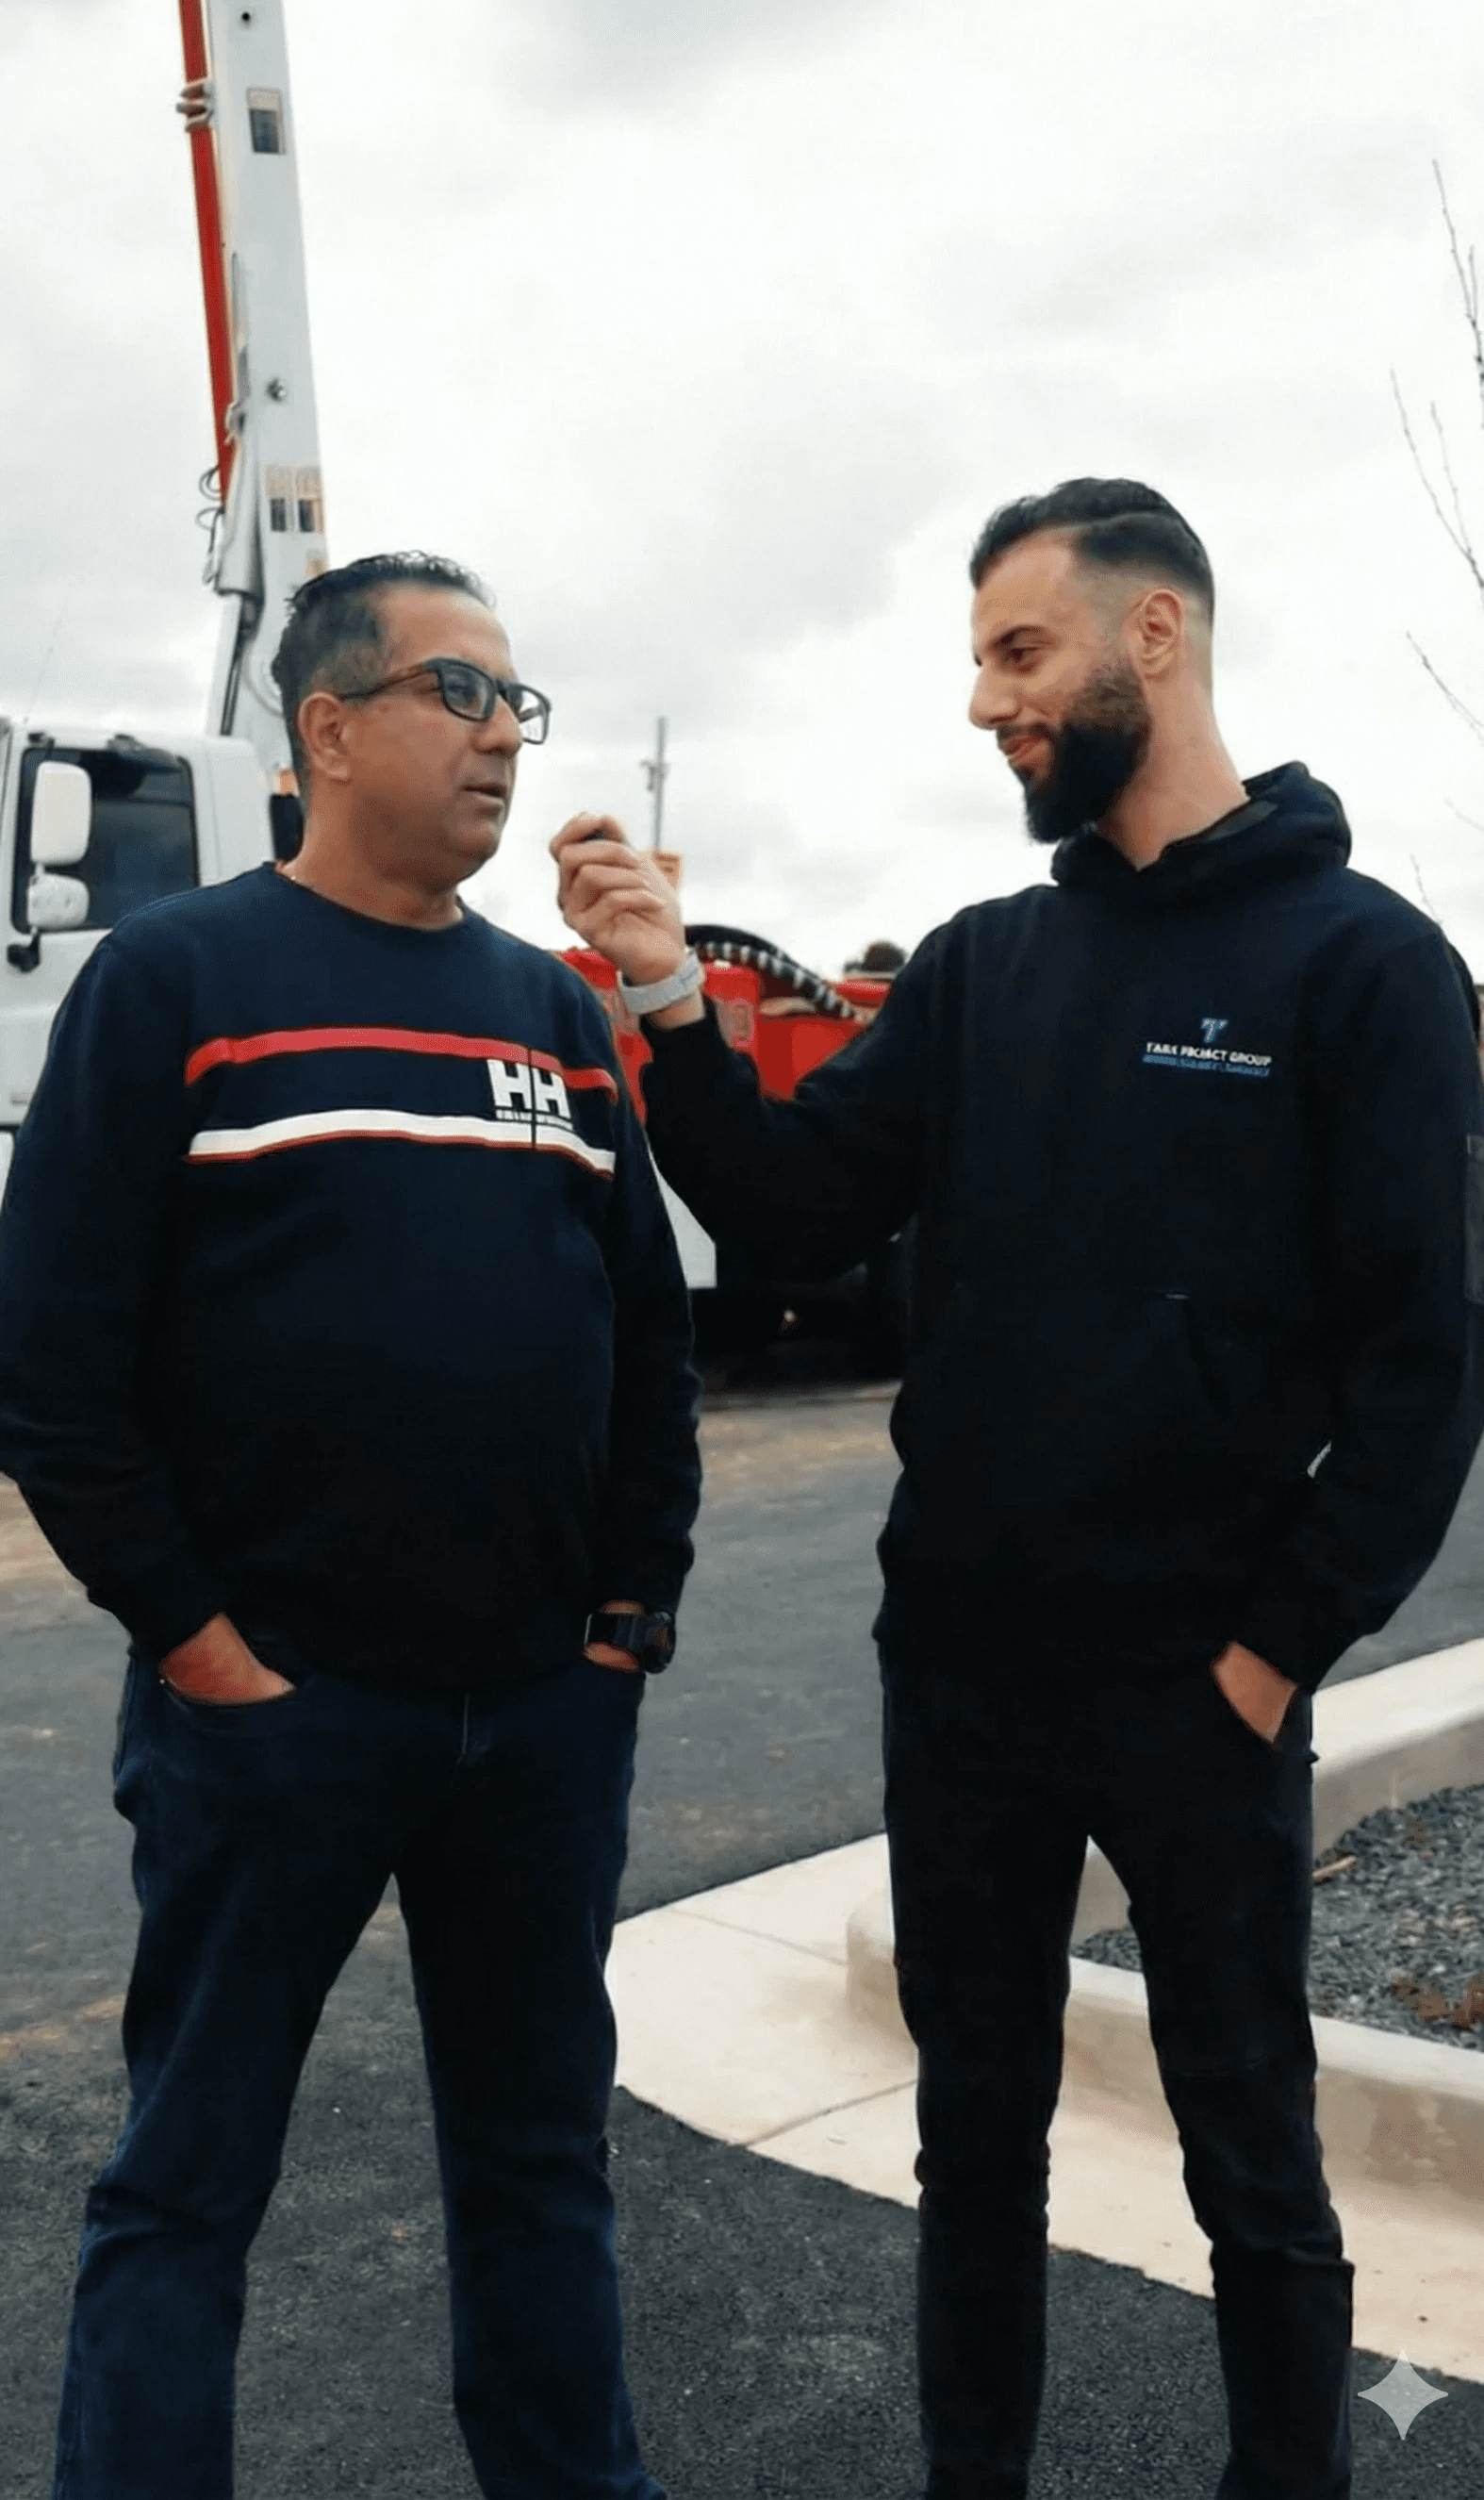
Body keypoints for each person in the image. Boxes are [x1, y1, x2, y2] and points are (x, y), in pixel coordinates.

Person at [552, 478, 1484, 2500]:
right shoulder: (982, 969)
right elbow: (796, 1220)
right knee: (969, 2137)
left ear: (1154, 638)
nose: (986, 701)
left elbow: (1429, 1367)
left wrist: (1268, 1651)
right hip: (962, 1676)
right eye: (979, 658)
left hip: (1196, 1679)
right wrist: (666, 1004)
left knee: (1251, 2137)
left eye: (1016, 650)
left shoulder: (1368, 966)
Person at [0, 551, 700, 2500]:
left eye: (515, 703)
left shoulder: (555, 1018)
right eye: (458, 694)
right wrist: (203, 1643)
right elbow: (51, 1370)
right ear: (326, 725)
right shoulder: (178, 985)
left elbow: (648, 1339)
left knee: (541, 2166)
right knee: (186, 2181)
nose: (500, 737)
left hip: (539, 1722)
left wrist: (628, 1607)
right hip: (276, 1721)